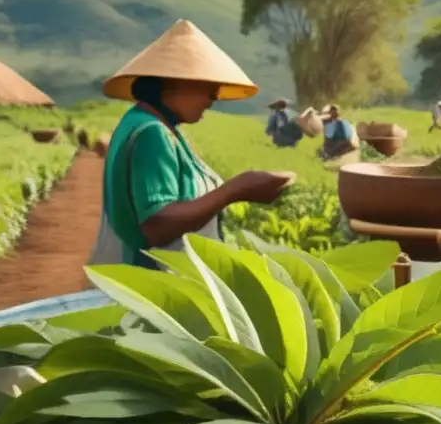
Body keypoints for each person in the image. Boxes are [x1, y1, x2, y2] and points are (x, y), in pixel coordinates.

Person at [89, 19, 293, 269]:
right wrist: (236, 189)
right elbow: (157, 223)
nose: (213, 99)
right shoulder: (151, 133)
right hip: (153, 281)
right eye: (209, 89)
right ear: (173, 85)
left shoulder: (146, 123)